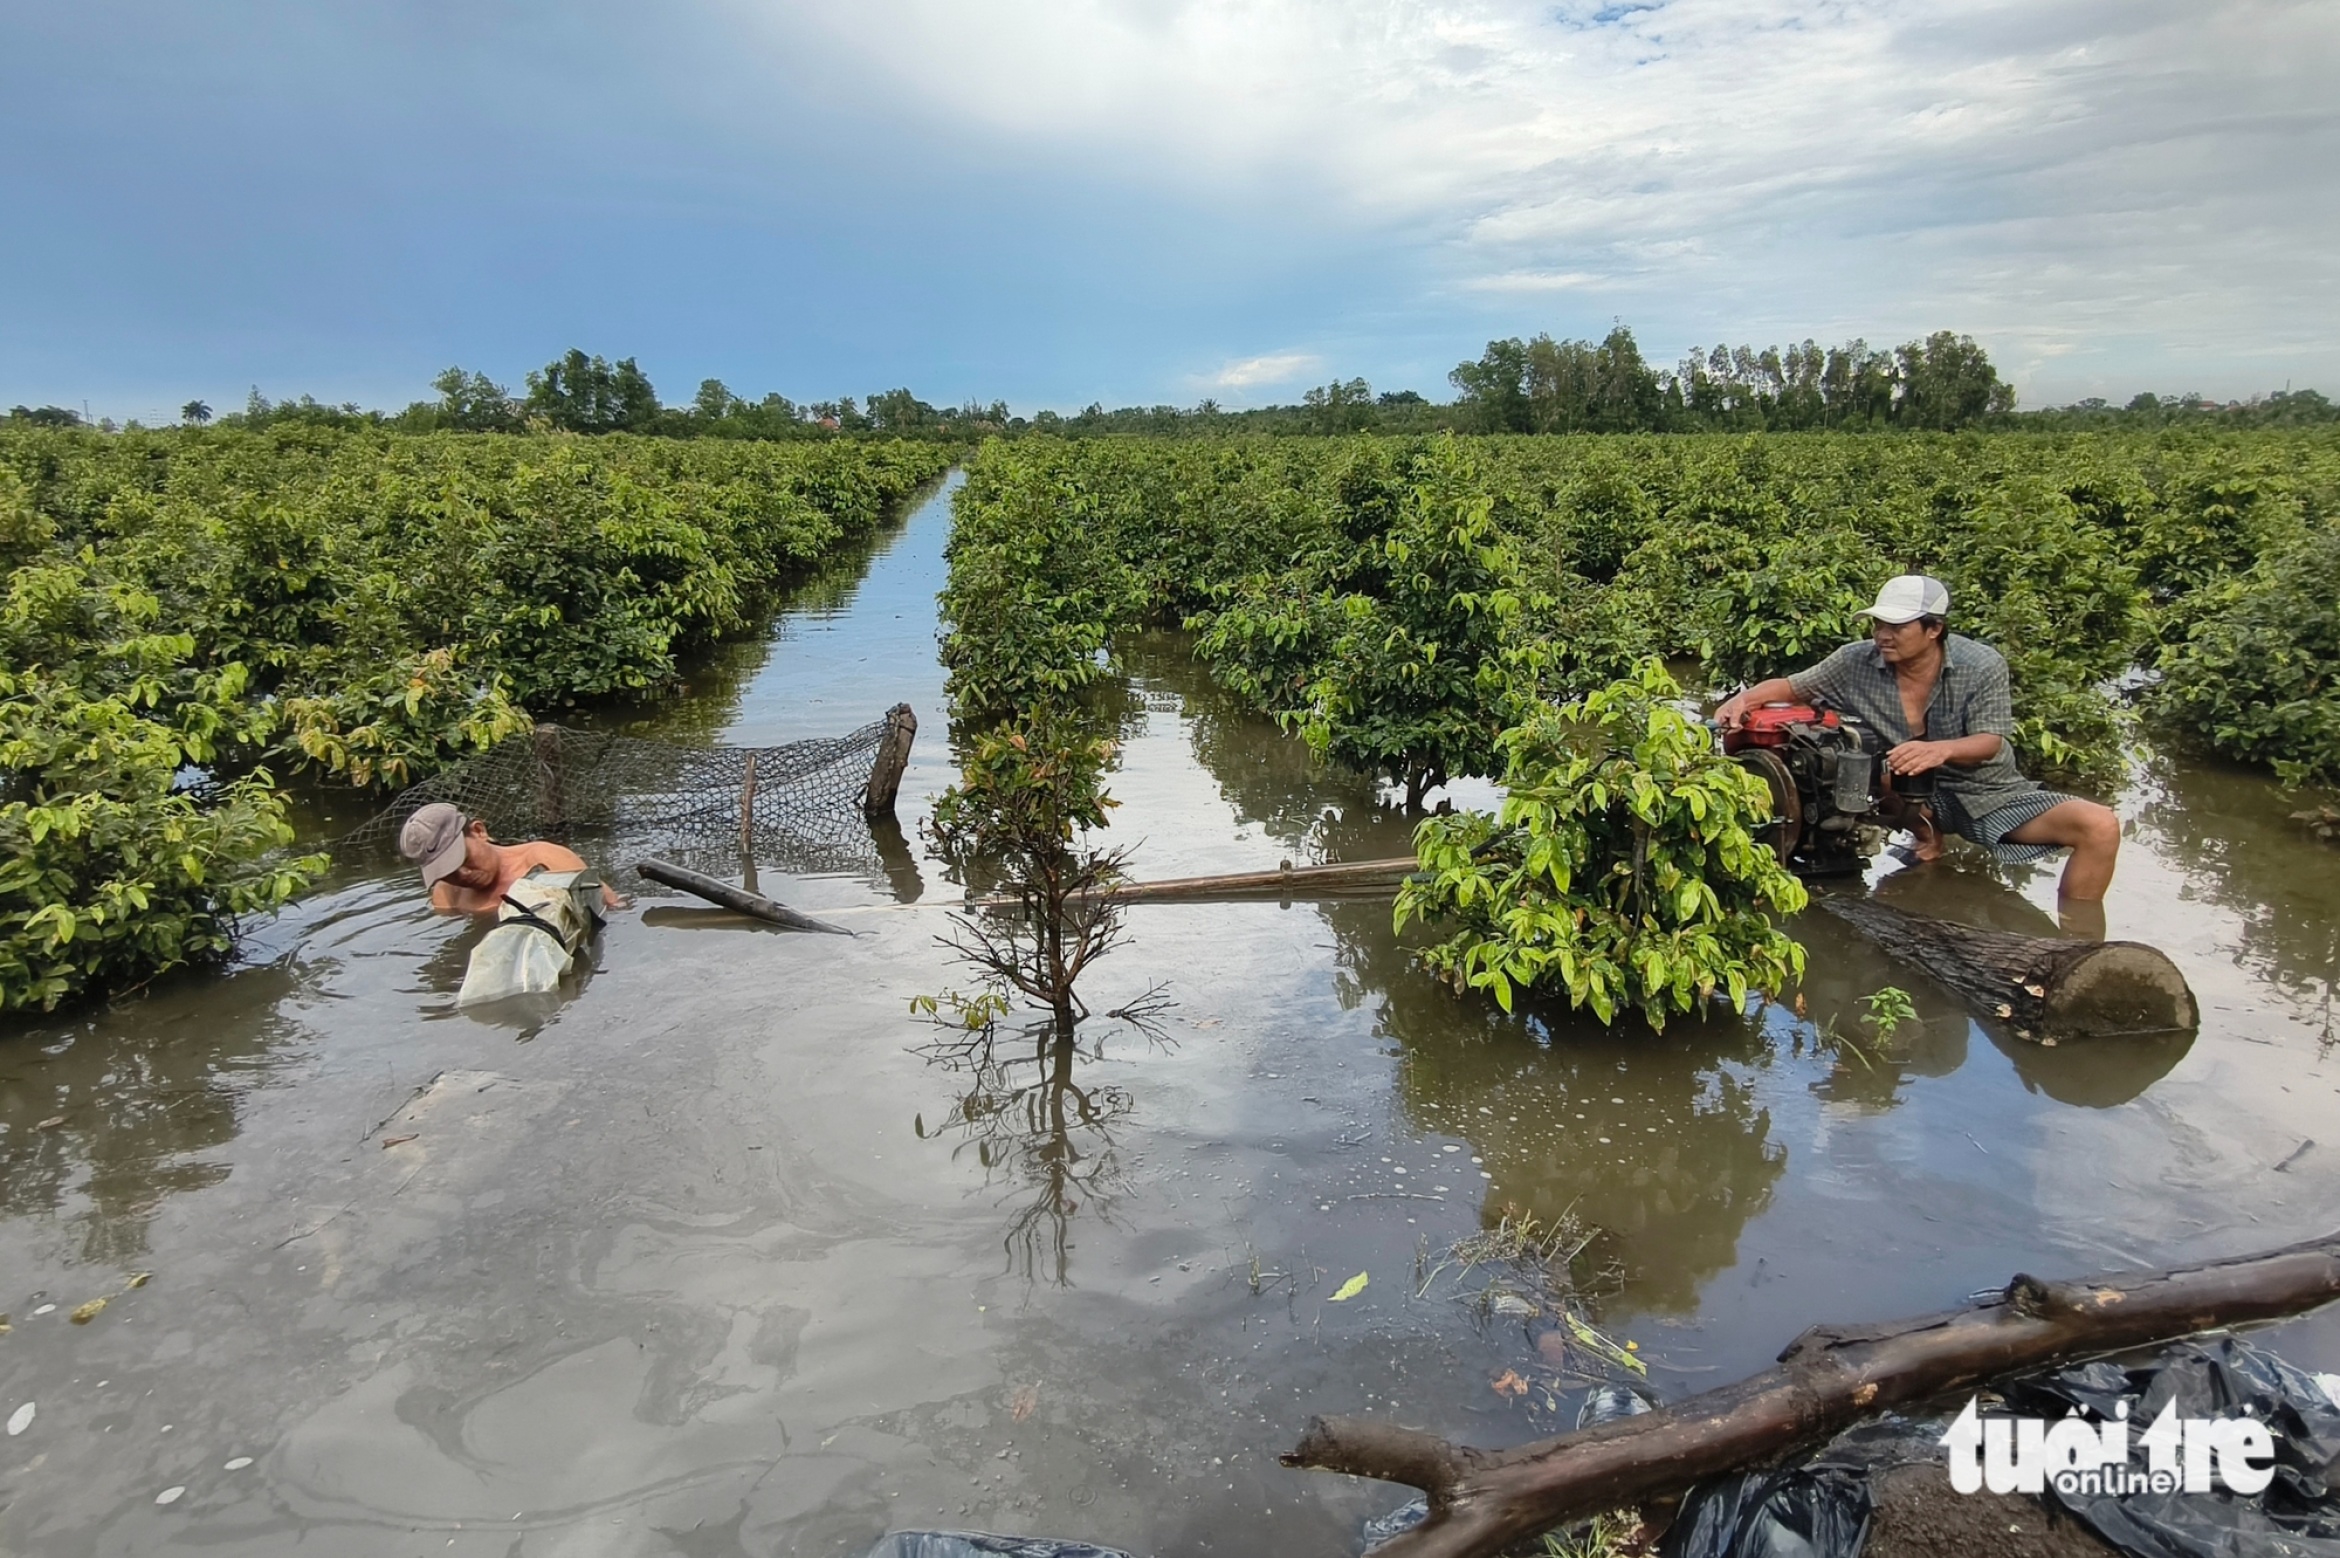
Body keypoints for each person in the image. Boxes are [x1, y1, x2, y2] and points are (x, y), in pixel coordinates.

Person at [1713, 574, 2121, 915]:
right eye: (1877, 625)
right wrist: (1745, 699)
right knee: (1856, 765)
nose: (1882, 636)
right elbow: (1793, 687)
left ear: (1934, 629)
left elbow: (1990, 742)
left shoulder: (1981, 664)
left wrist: (1939, 749)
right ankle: (1924, 841)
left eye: (1896, 627)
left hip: (1988, 792)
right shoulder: (1855, 660)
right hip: (1901, 794)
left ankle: (2077, 936)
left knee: (2100, 826)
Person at [398, 802, 625, 915]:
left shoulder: (545, 860)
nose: (462, 875)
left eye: (463, 859)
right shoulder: (447, 892)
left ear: (479, 832)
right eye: (448, 872)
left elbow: (612, 908)